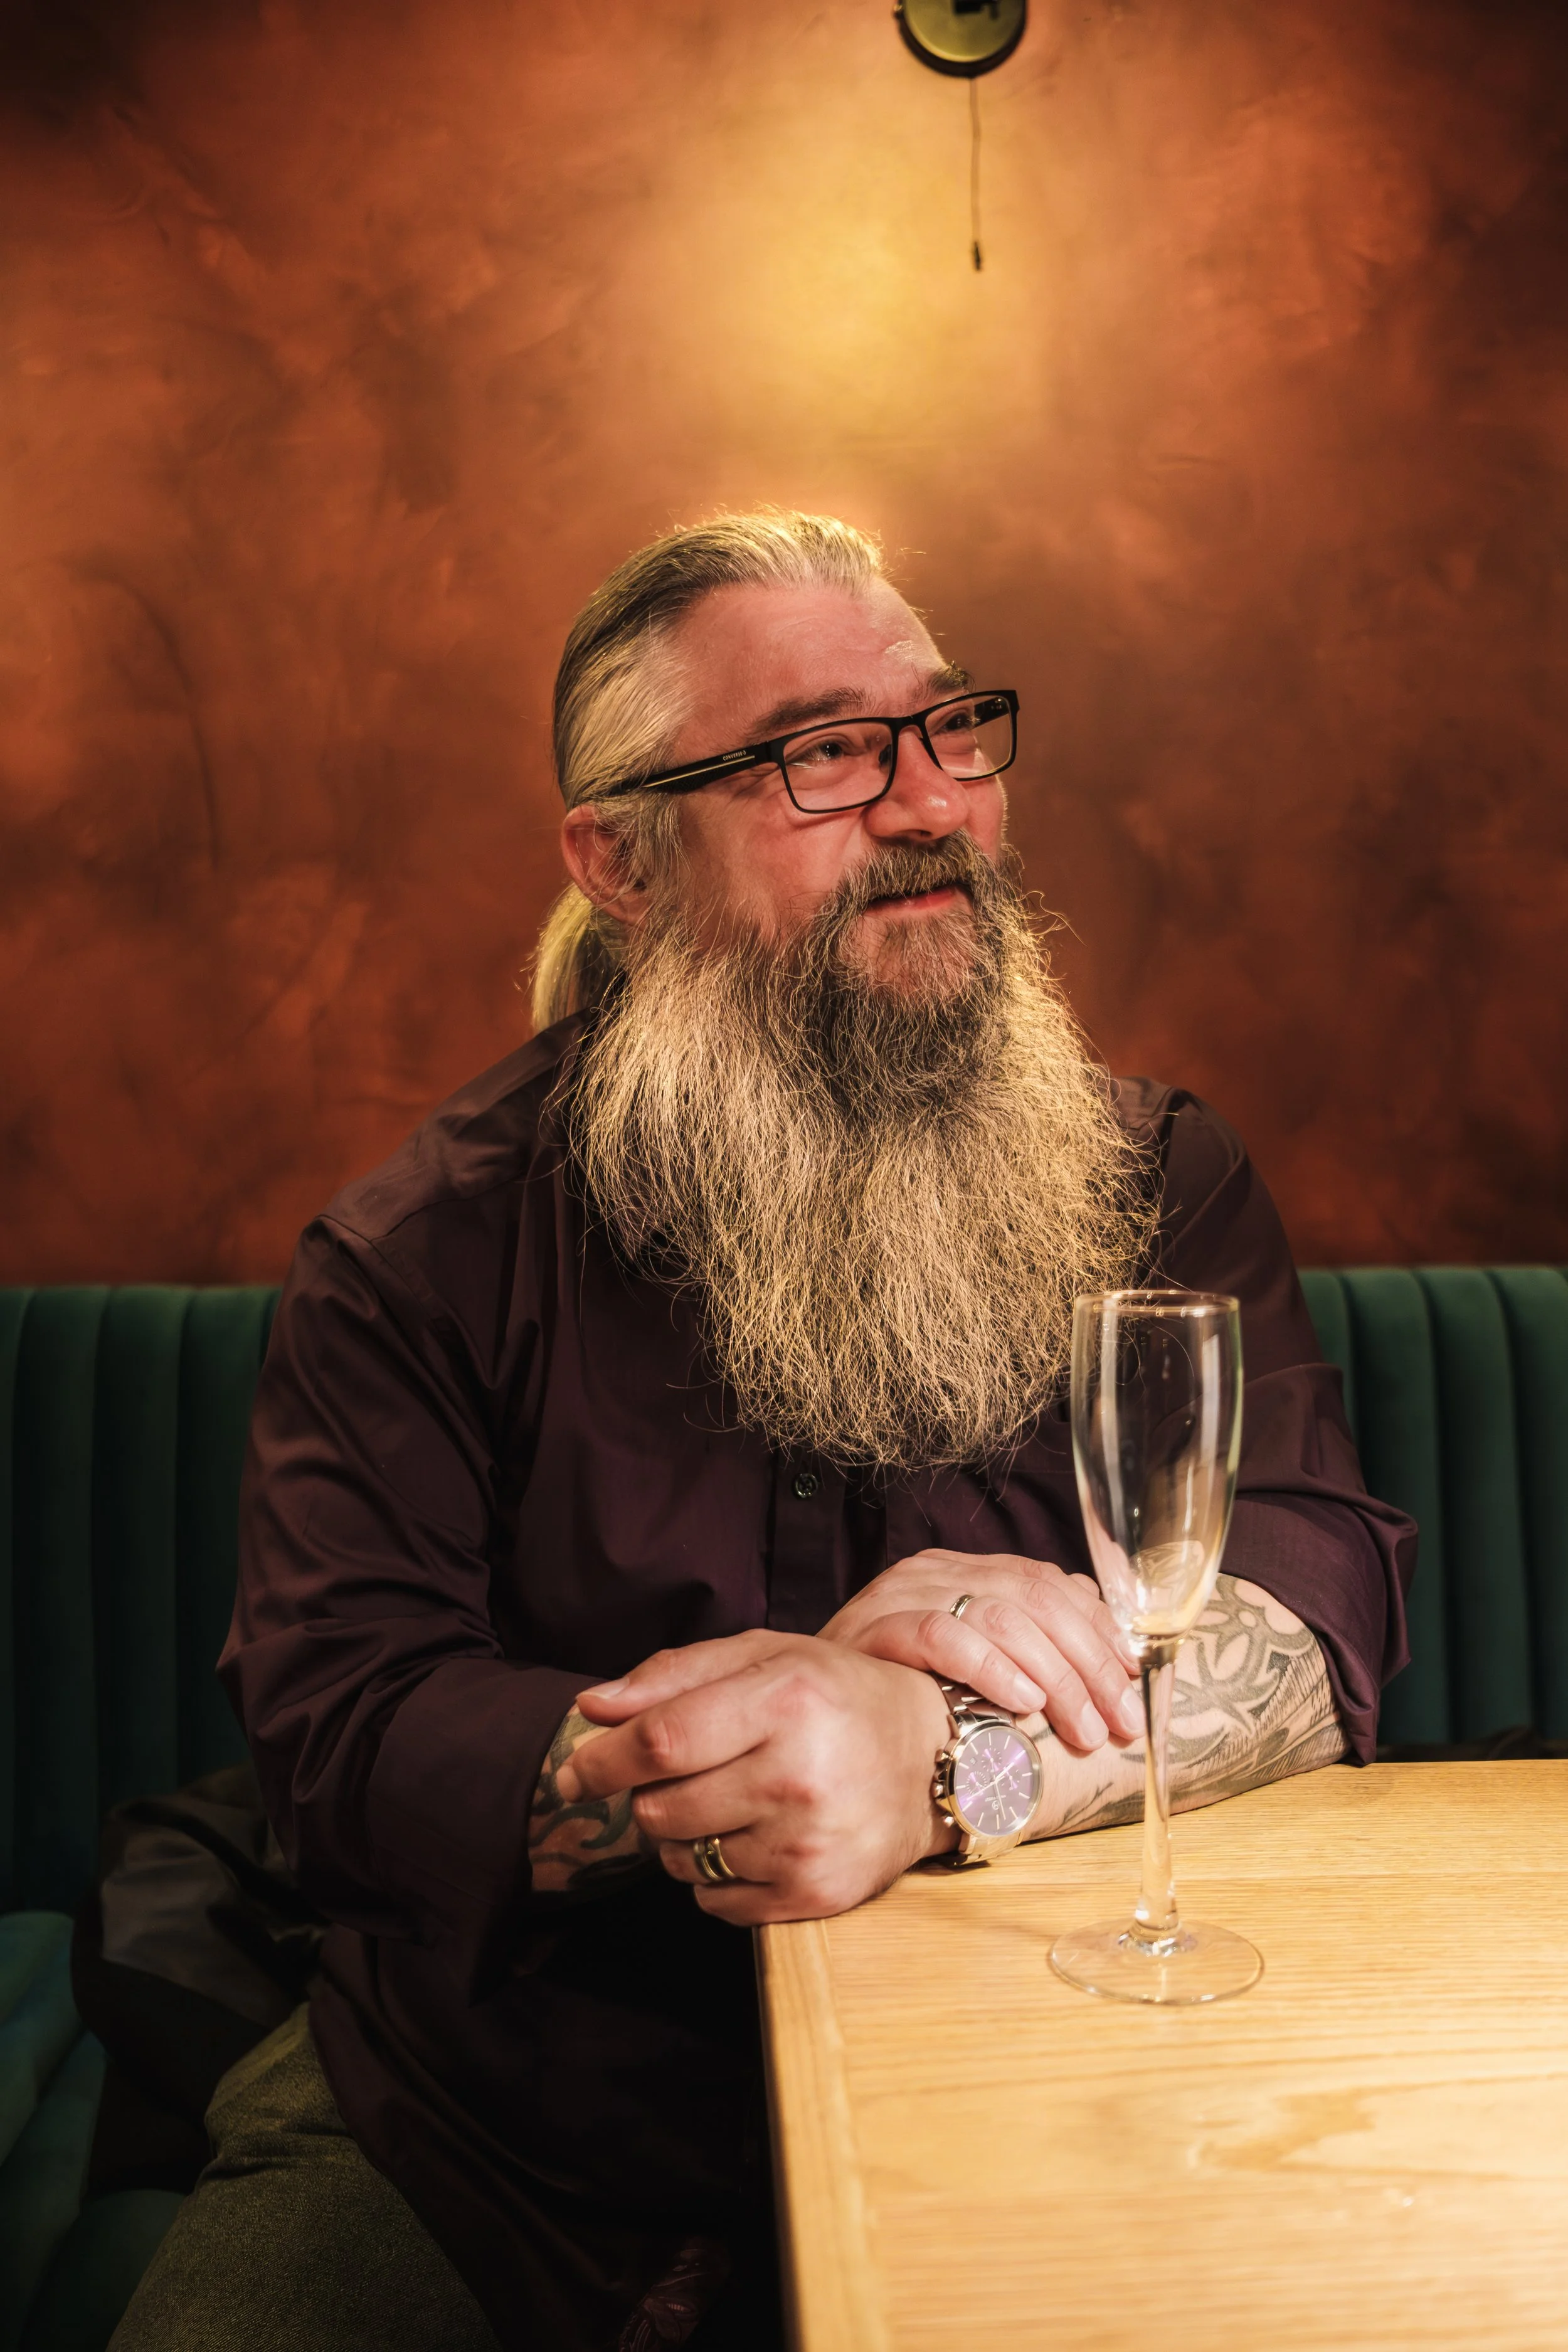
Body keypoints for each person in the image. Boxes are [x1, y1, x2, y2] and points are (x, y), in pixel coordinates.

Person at [111, 512, 1413, 2352]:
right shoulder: (418, 1252)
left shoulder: (1155, 1183)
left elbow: (1316, 1593)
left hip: (1047, 2079)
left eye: (947, 729)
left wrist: (937, 1751)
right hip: (505, 2138)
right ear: (619, 862)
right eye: (818, 753)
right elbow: (341, 1733)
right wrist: (794, 1706)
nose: (924, 803)